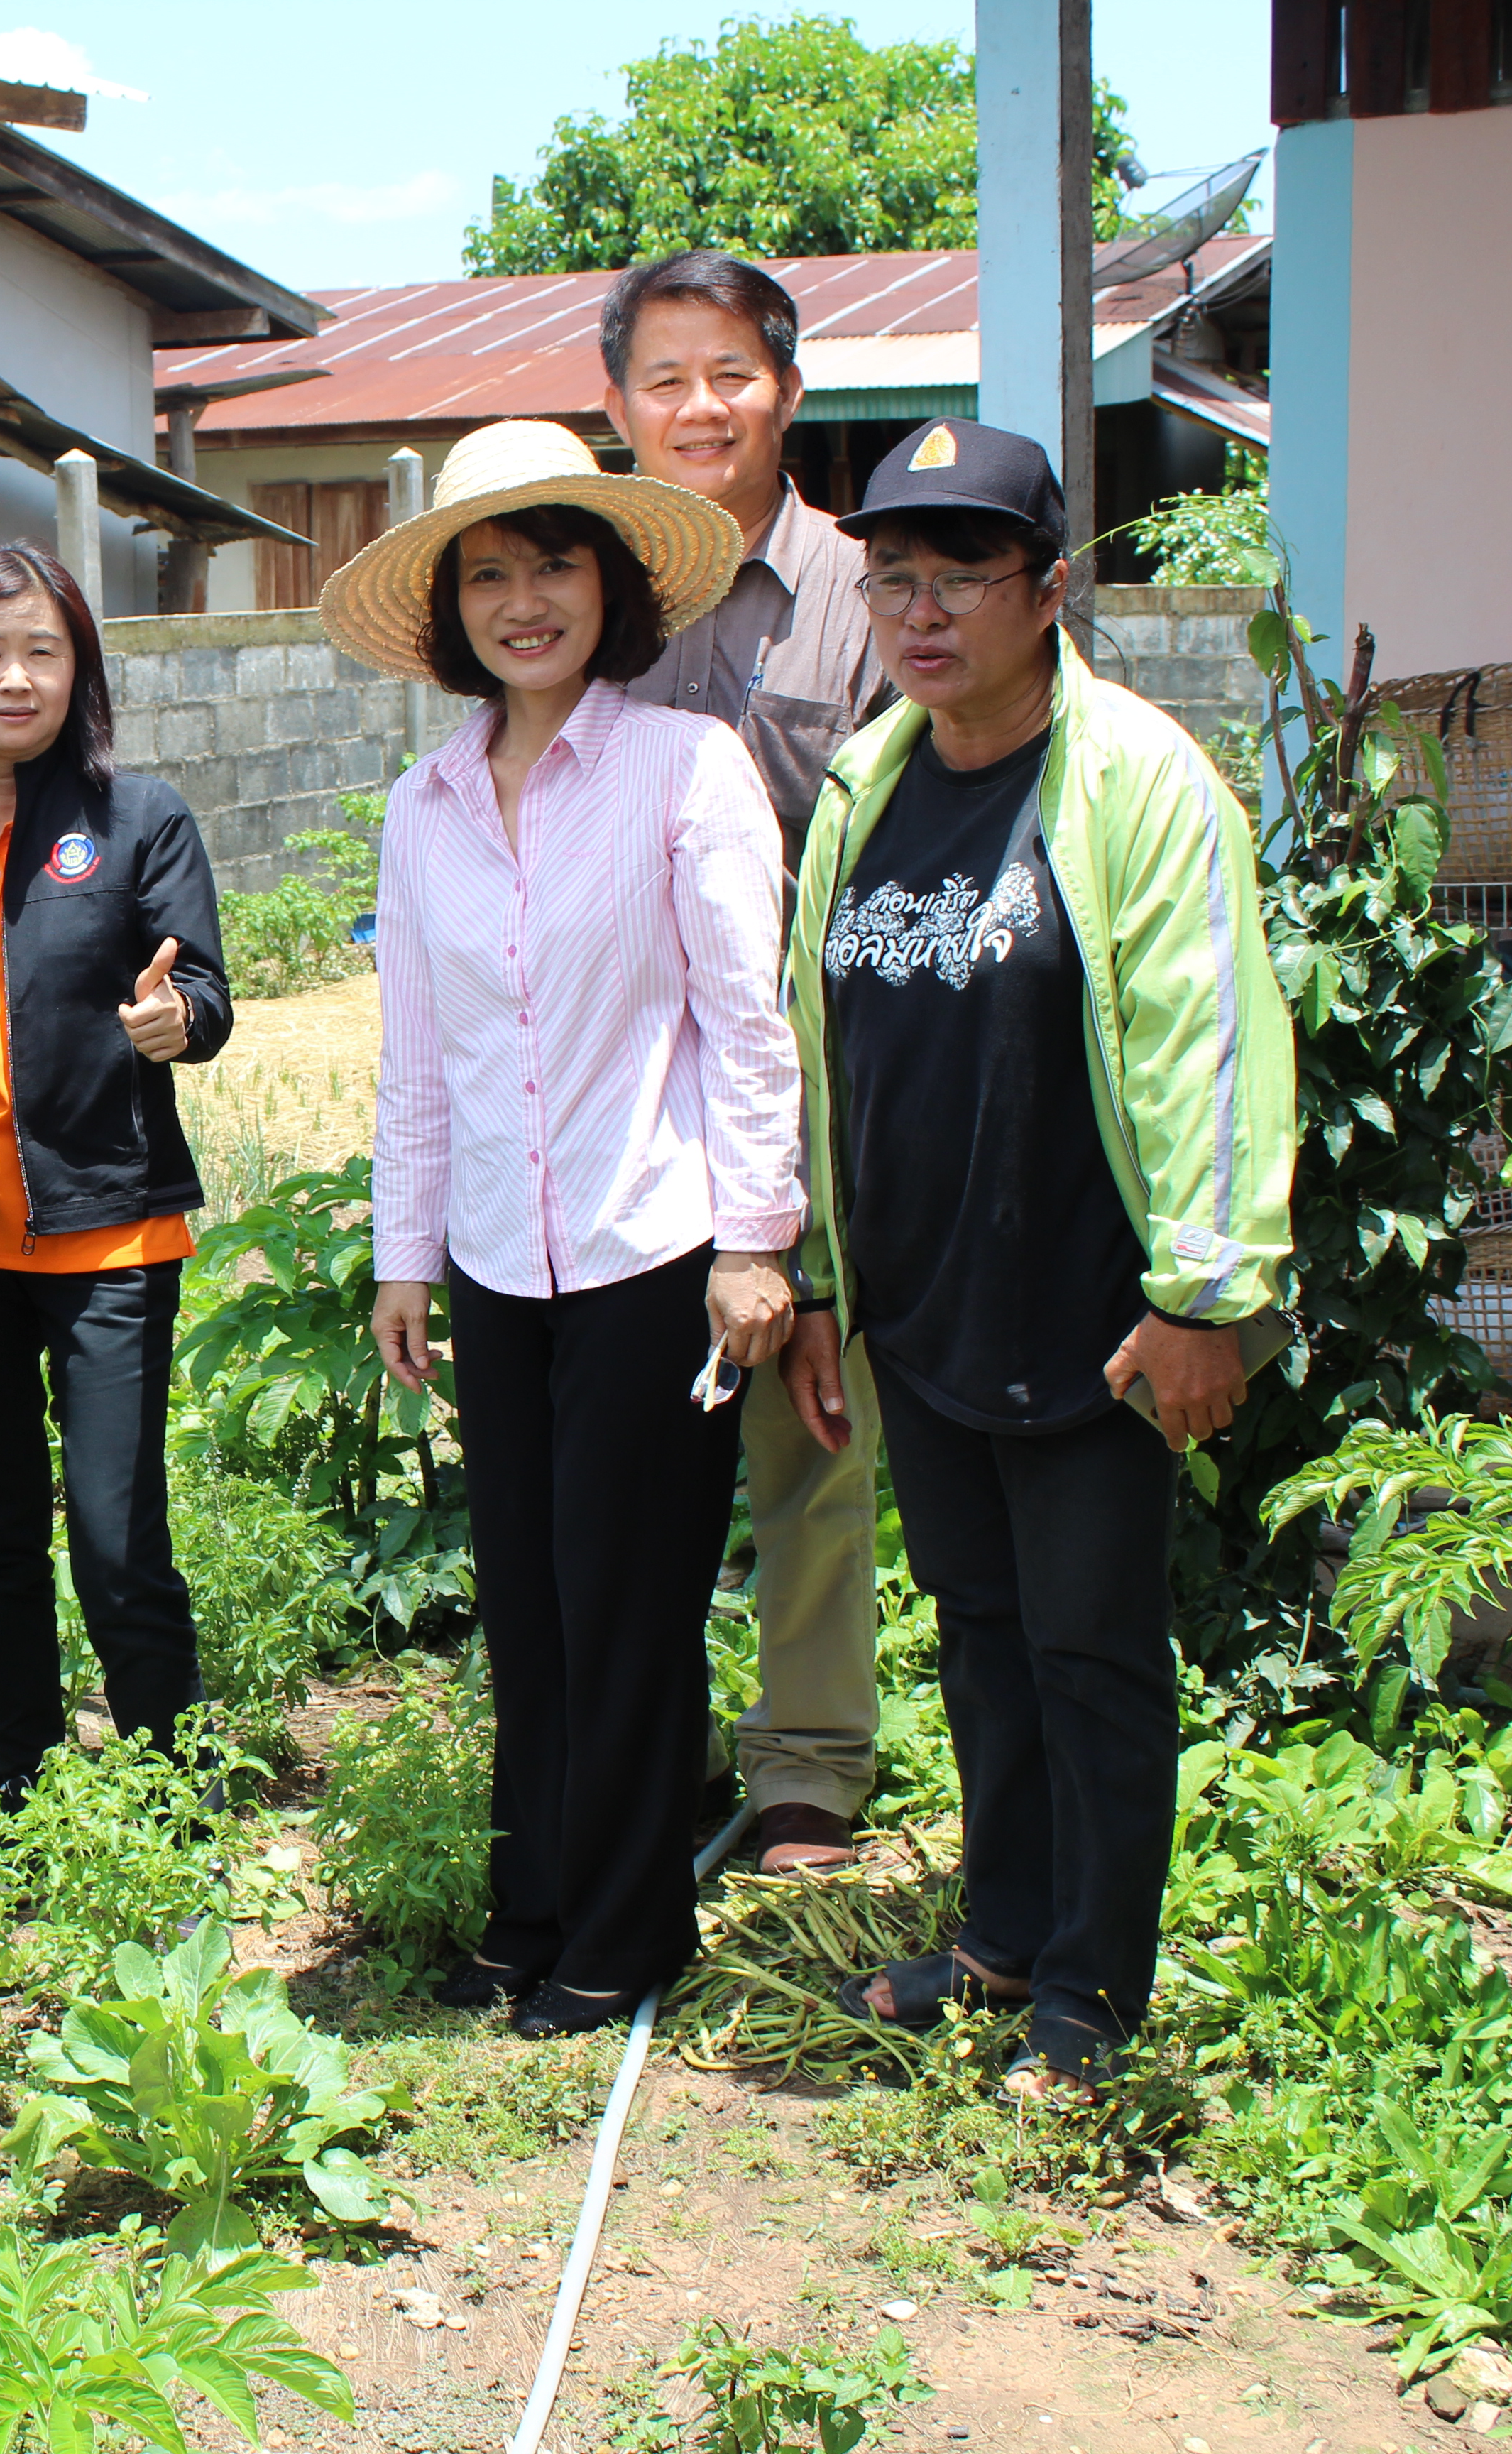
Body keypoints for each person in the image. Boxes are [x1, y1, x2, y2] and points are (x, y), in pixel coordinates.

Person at [779, 420, 1295, 2096]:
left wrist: (1203, 1299)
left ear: (1051, 588)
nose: (920, 614)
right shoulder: (868, 781)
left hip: (1094, 1320)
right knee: (980, 1632)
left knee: (1092, 1652)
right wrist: (826, 1281)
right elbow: (821, 1042)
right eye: (892, 580)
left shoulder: (1138, 781)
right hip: (927, 1309)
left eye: (962, 578)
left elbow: (1211, 1038)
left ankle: (1093, 1987)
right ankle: (1003, 1931)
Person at [319, 420, 804, 2039]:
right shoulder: (425, 802)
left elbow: (749, 1025)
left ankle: (625, 1925)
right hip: (491, 1264)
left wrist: (759, 1241)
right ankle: (530, 1909)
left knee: (630, 1599)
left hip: (653, 1251)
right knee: (524, 1601)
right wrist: (403, 1257)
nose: (527, 602)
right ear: (452, 609)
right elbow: (417, 1057)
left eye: (556, 566)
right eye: (492, 574)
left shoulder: (686, 769)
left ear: (612, 587)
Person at [602, 248, 895, 1877]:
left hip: (816, 1072)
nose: (699, 406)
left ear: (788, 386)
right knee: (633, 1436)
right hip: (624, 1086)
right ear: (618, 404)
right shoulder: (594, 599)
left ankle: (806, 1767)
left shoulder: (869, 591)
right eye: (665, 378)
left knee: (806, 1416)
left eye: (730, 374)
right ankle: (637, 1751)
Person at [0, 542, 234, 1796]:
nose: (16, 677)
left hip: (109, 1236)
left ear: (79, 667)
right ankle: (28, 1792)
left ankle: (171, 1794)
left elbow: (204, 990)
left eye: (43, 649)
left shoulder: (144, 819)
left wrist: (173, 1018)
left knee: (117, 1537)